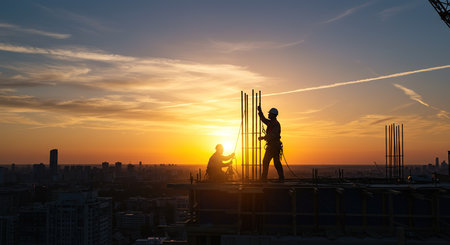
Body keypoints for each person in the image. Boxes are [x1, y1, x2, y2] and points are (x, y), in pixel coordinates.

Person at [258, 106, 284, 182]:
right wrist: (260, 111)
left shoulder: (276, 124)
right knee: (267, 161)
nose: (268, 115)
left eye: (270, 114)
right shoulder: (271, 123)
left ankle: (280, 178)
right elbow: (263, 119)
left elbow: (273, 135)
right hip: (272, 146)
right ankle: (264, 178)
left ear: (273, 115)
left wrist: (263, 137)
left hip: (274, 146)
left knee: (274, 162)